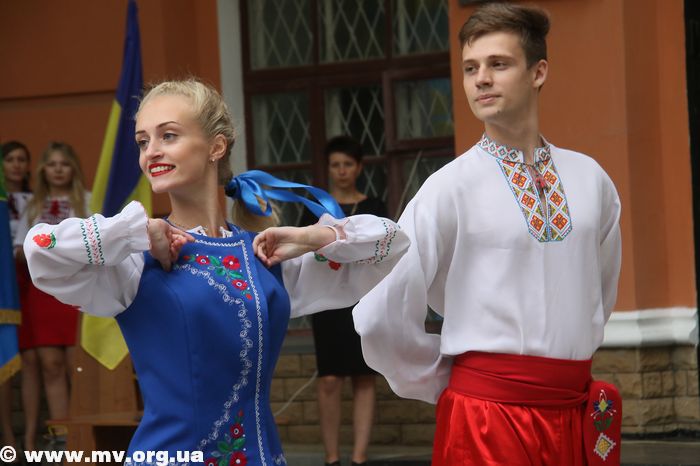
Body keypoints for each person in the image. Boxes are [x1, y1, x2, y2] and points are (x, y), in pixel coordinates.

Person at [22, 79, 409, 466]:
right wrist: (138, 232)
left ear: (216, 146)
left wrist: (314, 236)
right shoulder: (136, 259)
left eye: (168, 135)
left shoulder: (266, 255)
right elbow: (41, 247)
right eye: (142, 141)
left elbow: (393, 244)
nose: (151, 151)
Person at [353, 3, 622, 466]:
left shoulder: (590, 178)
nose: (481, 79)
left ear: (538, 72)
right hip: (486, 418)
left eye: (498, 64)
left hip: (573, 411)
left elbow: (600, 290)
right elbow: (381, 311)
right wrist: (443, 380)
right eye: (470, 68)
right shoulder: (449, 187)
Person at [300, 136, 386, 466]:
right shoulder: (317, 208)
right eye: (335, 165)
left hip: (366, 300)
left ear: (359, 167)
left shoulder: (375, 206)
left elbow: (383, 250)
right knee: (330, 378)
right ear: (328, 168)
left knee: (364, 376)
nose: (341, 171)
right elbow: (305, 249)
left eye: (348, 164)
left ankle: (359, 458)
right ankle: (332, 458)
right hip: (327, 302)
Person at [14, 142, 89, 450]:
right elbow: (18, 250)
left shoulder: (87, 201)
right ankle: (61, 437)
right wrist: (39, 251)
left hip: (78, 288)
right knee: (50, 365)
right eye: (52, 164)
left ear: (74, 169)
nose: (58, 170)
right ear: (43, 170)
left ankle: (84, 435)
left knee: (76, 364)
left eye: (65, 163)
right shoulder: (33, 205)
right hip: (43, 291)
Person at [1, 141, 33, 452]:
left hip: (28, 278)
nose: (16, 165)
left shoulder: (37, 200)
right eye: (9, 159)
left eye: (21, 159)